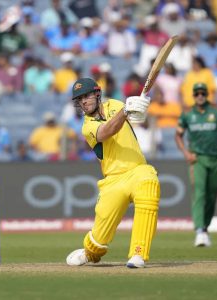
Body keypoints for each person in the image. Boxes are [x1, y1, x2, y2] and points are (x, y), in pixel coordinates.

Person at [65, 77, 159, 268]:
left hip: (137, 170)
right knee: (98, 243)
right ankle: (88, 252)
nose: (83, 101)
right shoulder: (87, 126)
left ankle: (138, 255)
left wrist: (138, 109)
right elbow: (108, 130)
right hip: (113, 180)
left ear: (97, 93)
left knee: (149, 185)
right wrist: (126, 110)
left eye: (86, 96)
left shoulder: (115, 104)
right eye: (79, 99)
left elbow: (134, 119)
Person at [175, 82, 217, 247]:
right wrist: (187, 153)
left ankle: (205, 229)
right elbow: (178, 135)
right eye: (197, 93)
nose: (200, 96)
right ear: (193, 95)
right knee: (199, 192)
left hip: (216, 159)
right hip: (198, 159)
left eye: (203, 93)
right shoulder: (187, 113)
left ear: (207, 94)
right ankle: (199, 231)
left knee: (211, 196)